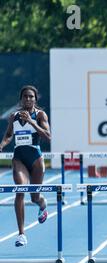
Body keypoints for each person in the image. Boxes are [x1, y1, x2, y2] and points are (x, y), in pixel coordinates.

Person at [0, 85, 51, 247]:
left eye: (31, 97)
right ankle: (21, 234)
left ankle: (42, 204)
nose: (28, 99)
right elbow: (9, 135)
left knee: (34, 197)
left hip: (36, 159)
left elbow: (48, 136)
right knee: (20, 190)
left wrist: (31, 121)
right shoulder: (14, 117)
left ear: (35, 99)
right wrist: (2, 144)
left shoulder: (40, 115)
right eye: (25, 97)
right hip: (19, 158)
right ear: (21, 99)